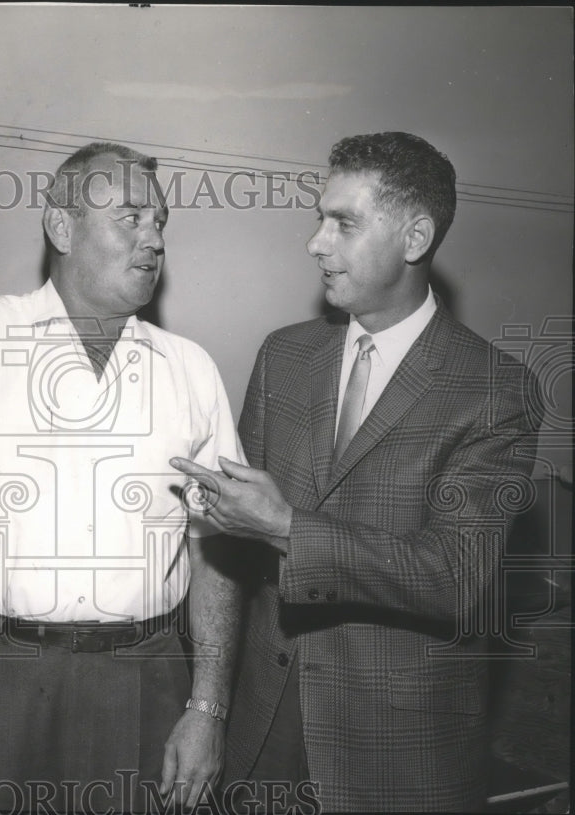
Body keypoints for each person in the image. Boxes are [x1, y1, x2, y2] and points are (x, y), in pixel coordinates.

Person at [172, 132, 542, 811]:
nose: (316, 242)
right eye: (319, 219)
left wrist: (286, 527)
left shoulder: (495, 389)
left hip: (397, 759)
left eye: (343, 222)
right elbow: (230, 558)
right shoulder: (284, 356)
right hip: (264, 742)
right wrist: (209, 707)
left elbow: (459, 578)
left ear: (415, 236)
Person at [0, 142, 245, 812]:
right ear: (61, 227)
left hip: (143, 678)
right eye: (131, 217)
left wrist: (208, 707)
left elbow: (219, 551)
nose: (153, 239)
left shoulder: (189, 367)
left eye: (161, 223)